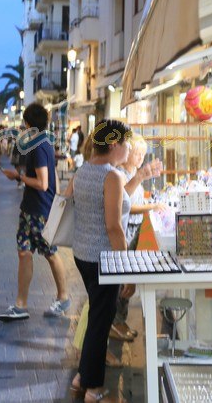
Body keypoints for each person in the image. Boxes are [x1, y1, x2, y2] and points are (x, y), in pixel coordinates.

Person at [68, 120, 134, 403]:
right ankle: (93, 389)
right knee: (100, 321)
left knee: (97, 316)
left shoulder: (82, 170)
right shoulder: (111, 177)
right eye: (126, 143)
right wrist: (128, 270)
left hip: (83, 254)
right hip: (103, 259)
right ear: (114, 145)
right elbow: (114, 227)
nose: (129, 148)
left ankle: (82, 377)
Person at [0, 103, 70, 321]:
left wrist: (18, 177)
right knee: (24, 252)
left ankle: (63, 297)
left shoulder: (38, 147)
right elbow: (53, 179)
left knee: (49, 252)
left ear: (28, 124)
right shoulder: (44, 143)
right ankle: (21, 304)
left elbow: (42, 182)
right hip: (32, 208)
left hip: (39, 211)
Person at [111, 133, 165, 345]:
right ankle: (115, 323)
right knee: (122, 279)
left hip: (133, 230)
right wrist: (152, 206)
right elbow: (126, 205)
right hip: (125, 230)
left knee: (127, 280)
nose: (141, 157)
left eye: (143, 153)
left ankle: (120, 321)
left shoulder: (133, 173)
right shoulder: (121, 174)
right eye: (137, 153)